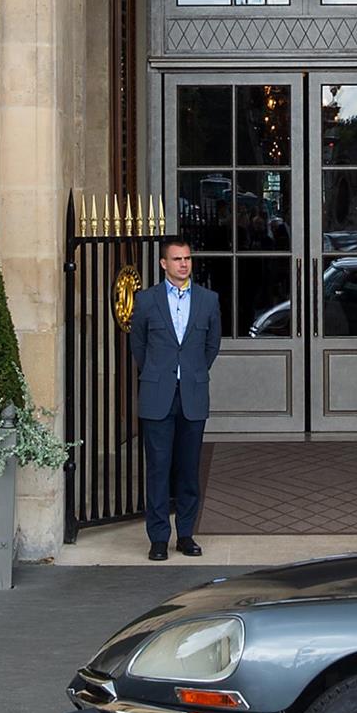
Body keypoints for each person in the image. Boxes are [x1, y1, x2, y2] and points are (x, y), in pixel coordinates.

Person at [129, 238, 222, 563]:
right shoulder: (146, 300)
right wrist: (161, 372)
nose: (184, 264)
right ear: (163, 264)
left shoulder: (208, 301)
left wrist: (191, 372)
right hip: (158, 395)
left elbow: (212, 345)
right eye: (177, 259)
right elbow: (138, 345)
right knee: (157, 468)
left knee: (188, 468)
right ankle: (158, 538)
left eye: (187, 259)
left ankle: (185, 534)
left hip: (192, 395)